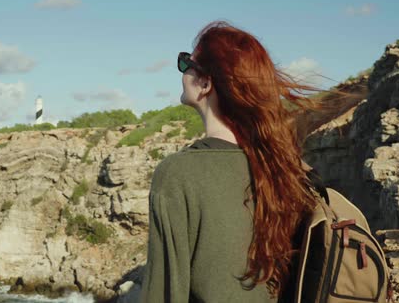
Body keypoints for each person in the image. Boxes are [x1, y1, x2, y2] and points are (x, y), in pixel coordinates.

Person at [139, 21, 356, 303]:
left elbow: (164, 292)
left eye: (185, 63)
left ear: (205, 83)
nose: (181, 71)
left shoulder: (178, 174)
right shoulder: (285, 169)